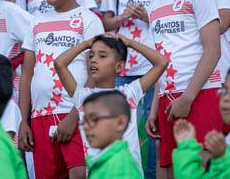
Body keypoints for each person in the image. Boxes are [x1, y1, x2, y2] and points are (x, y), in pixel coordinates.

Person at [145, 0, 223, 179]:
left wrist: (188, 97)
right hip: (168, 99)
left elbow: (213, 51)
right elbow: (162, 60)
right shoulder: (154, 6)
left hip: (200, 94)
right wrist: (154, 107)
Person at [19, 0, 104, 179]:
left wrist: (76, 115)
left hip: (74, 113)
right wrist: (23, 121)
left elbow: (95, 75)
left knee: (80, 176)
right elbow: (27, 75)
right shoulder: (35, 22)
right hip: (40, 116)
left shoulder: (89, 20)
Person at [100, 0, 159, 179]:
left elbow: (171, 21)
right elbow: (106, 23)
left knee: (152, 132)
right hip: (122, 68)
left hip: (152, 67)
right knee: (120, 130)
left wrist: (145, 16)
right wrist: (123, 18)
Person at [54, 34, 168, 166]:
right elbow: (59, 63)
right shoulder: (82, 97)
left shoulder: (130, 93)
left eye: (102, 56)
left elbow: (162, 62)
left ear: (119, 67)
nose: (93, 60)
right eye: (91, 56)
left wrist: (130, 43)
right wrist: (86, 44)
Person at [79, 91, 150, 179]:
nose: (85, 127)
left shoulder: (119, 172)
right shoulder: (105, 163)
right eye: (84, 121)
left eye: (93, 119)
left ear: (120, 122)